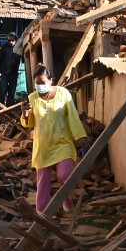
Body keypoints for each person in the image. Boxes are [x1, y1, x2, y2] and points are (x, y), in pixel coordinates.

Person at [21, 65, 86, 212]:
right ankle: (41, 215)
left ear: (51, 80)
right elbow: (28, 123)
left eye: (43, 83)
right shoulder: (32, 98)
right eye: (37, 83)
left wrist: (81, 135)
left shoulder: (63, 93)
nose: (40, 86)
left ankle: (66, 199)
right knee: (43, 183)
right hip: (43, 146)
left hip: (63, 144)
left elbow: (73, 116)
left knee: (64, 176)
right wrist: (25, 113)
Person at [0, 32, 22, 99]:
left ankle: (10, 106)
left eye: (12, 40)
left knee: (11, 91)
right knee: (3, 90)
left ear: (15, 40)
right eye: (9, 40)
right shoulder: (4, 47)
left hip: (13, 73)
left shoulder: (18, 48)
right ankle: (1, 105)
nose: (11, 42)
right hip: (4, 72)